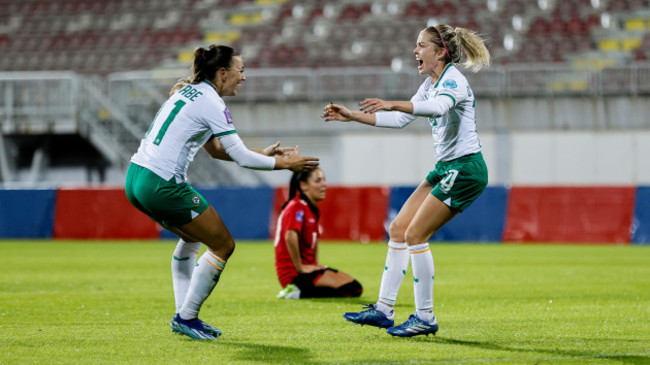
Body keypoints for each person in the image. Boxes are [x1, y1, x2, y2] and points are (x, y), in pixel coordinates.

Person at [125, 44, 319, 340]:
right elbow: (240, 157)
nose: (244, 78)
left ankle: (184, 316)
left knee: (192, 237)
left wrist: (263, 153)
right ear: (223, 72)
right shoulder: (211, 102)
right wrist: (283, 164)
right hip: (161, 183)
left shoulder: (189, 92)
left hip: (137, 177)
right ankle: (186, 317)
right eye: (241, 71)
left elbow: (217, 151)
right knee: (223, 245)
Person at [321, 24, 490, 337]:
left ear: (441, 52)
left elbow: (438, 109)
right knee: (399, 229)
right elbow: (401, 119)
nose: (415, 51)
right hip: (445, 167)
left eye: (421, 45)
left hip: (466, 169)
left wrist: (393, 101)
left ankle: (425, 316)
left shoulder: (453, 79)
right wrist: (353, 115)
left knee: (416, 234)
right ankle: (384, 309)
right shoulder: (430, 83)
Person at [274, 168, 363, 299]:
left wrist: (315, 265)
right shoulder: (296, 206)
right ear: (303, 185)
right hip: (295, 274)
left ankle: (300, 291)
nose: (324, 184)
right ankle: (295, 290)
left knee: (354, 288)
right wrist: (300, 267)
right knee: (352, 289)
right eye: (318, 181)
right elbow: (290, 236)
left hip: (308, 270)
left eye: (324, 180)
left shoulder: (310, 209)